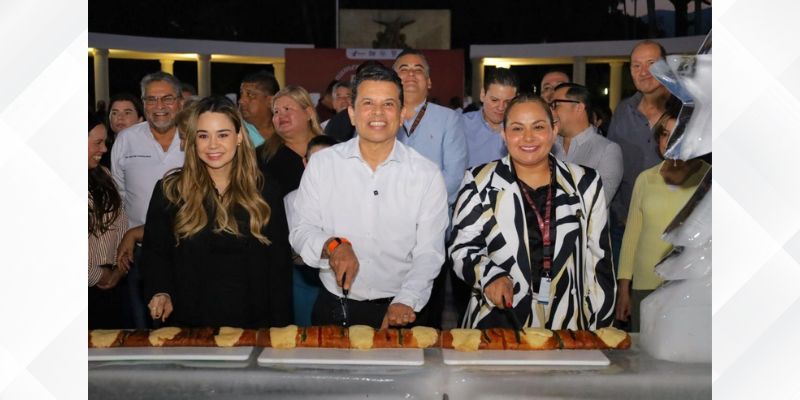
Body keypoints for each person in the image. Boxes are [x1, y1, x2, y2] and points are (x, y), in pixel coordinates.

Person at [289, 64, 449, 329]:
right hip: (335, 307)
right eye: (367, 103)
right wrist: (333, 246)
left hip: (401, 309)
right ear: (352, 114)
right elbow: (301, 230)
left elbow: (429, 253)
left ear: (402, 114)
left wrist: (406, 300)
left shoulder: (426, 174)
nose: (377, 112)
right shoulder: (323, 165)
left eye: (388, 104)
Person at [449, 94, 616, 330]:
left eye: (538, 127)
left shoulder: (585, 183)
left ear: (554, 130)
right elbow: (462, 248)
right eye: (517, 128)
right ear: (504, 134)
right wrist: (490, 276)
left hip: (566, 324)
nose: (528, 137)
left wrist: (601, 329)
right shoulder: (479, 181)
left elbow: (599, 262)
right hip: (498, 322)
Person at [141, 96, 293, 328]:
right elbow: (155, 253)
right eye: (203, 136)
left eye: (222, 135)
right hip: (189, 325)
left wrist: (280, 329)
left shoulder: (265, 190)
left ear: (239, 137)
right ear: (193, 140)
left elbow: (279, 268)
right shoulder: (171, 190)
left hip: (253, 325)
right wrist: (161, 291)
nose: (212, 145)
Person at [615, 106, 710, 332]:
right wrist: (624, 290)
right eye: (665, 134)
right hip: (645, 283)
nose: (669, 141)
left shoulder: (709, 178)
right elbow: (631, 237)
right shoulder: (645, 179)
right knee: (643, 349)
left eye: (678, 134)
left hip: (689, 284)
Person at [393, 49, 468, 328]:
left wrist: (417, 212)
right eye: (403, 69)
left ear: (429, 81)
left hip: (432, 230)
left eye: (418, 69)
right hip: (385, 231)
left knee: (426, 316)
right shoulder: (379, 116)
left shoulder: (448, 119)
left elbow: (455, 176)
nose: (411, 74)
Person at [111, 71, 185, 328]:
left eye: (167, 98)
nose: (159, 106)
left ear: (180, 102)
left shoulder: (196, 138)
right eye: (151, 99)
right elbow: (120, 195)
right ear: (143, 103)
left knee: (189, 331)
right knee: (142, 330)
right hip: (140, 255)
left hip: (188, 250)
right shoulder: (126, 139)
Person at [607, 40, 672, 269]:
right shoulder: (623, 111)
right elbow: (613, 164)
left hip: (674, 230)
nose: (643, 72)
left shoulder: (686, 110)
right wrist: (621, 214)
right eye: (636, 65)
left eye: (651, 63)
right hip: (626, 228)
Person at [284, 135, 340, 326]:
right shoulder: (291, 200)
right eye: (315, 161)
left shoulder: (351, 200)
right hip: (304, 282)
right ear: (305, 162)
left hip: (342, 283)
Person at [88, 113, 130, 329]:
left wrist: (118, 269)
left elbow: (121, 222)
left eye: (105, 142)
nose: (104, 149)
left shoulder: (103, 174)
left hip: (113, 285)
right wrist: (98, 275)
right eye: (97, 143)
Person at [550, 83, 623, 204]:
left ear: (578, 107)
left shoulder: (607, 150)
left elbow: (598, 202)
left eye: (556, 105)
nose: (551, 112)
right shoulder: (547, 145)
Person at [257, 85, 322, 198]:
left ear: (308, 113)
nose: (281, 115)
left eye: (287, 109)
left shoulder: (332, 149)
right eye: (276, 112)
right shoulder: (262, 156)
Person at [462, 67, 518, 169]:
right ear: (482, 95)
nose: (501, 107)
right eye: (494, 100)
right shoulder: (461, 125)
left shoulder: (522, 130)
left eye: (507, 102)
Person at [101, 93, 144, 168]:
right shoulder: (101, 151)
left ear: (140, 119)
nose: (120, 117)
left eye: (127, 113)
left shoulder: (150, 149)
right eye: (114, 113)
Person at [239, 70, 280, 148]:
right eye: (241, 94)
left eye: (250, 95)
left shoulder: (285, 131)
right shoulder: (236, 130)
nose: (241, 101)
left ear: (271, 101)